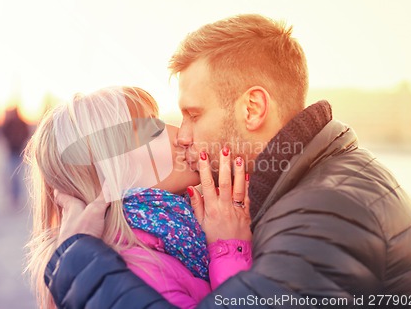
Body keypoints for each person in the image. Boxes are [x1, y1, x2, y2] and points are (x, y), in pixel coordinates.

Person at [44, 15, 411, 308]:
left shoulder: (327, 212)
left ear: (253, 108)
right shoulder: (297, 188)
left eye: (193, 114)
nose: (184, 134)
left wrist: (78, 263)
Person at [24, 86, 252, 309]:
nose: (180, 135)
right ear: (109, 170)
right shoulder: (140, 270)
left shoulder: (174, 238)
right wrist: (230, 250)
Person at [1, 106, 30, 206]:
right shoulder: (11, 123)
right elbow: (3, 132)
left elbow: (26, 133)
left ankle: (16, 197)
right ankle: (14, 197)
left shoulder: (21, 123)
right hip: (12, 152)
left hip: (18, 152)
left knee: (16, 176)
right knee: (12, 175)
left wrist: (20, 141)